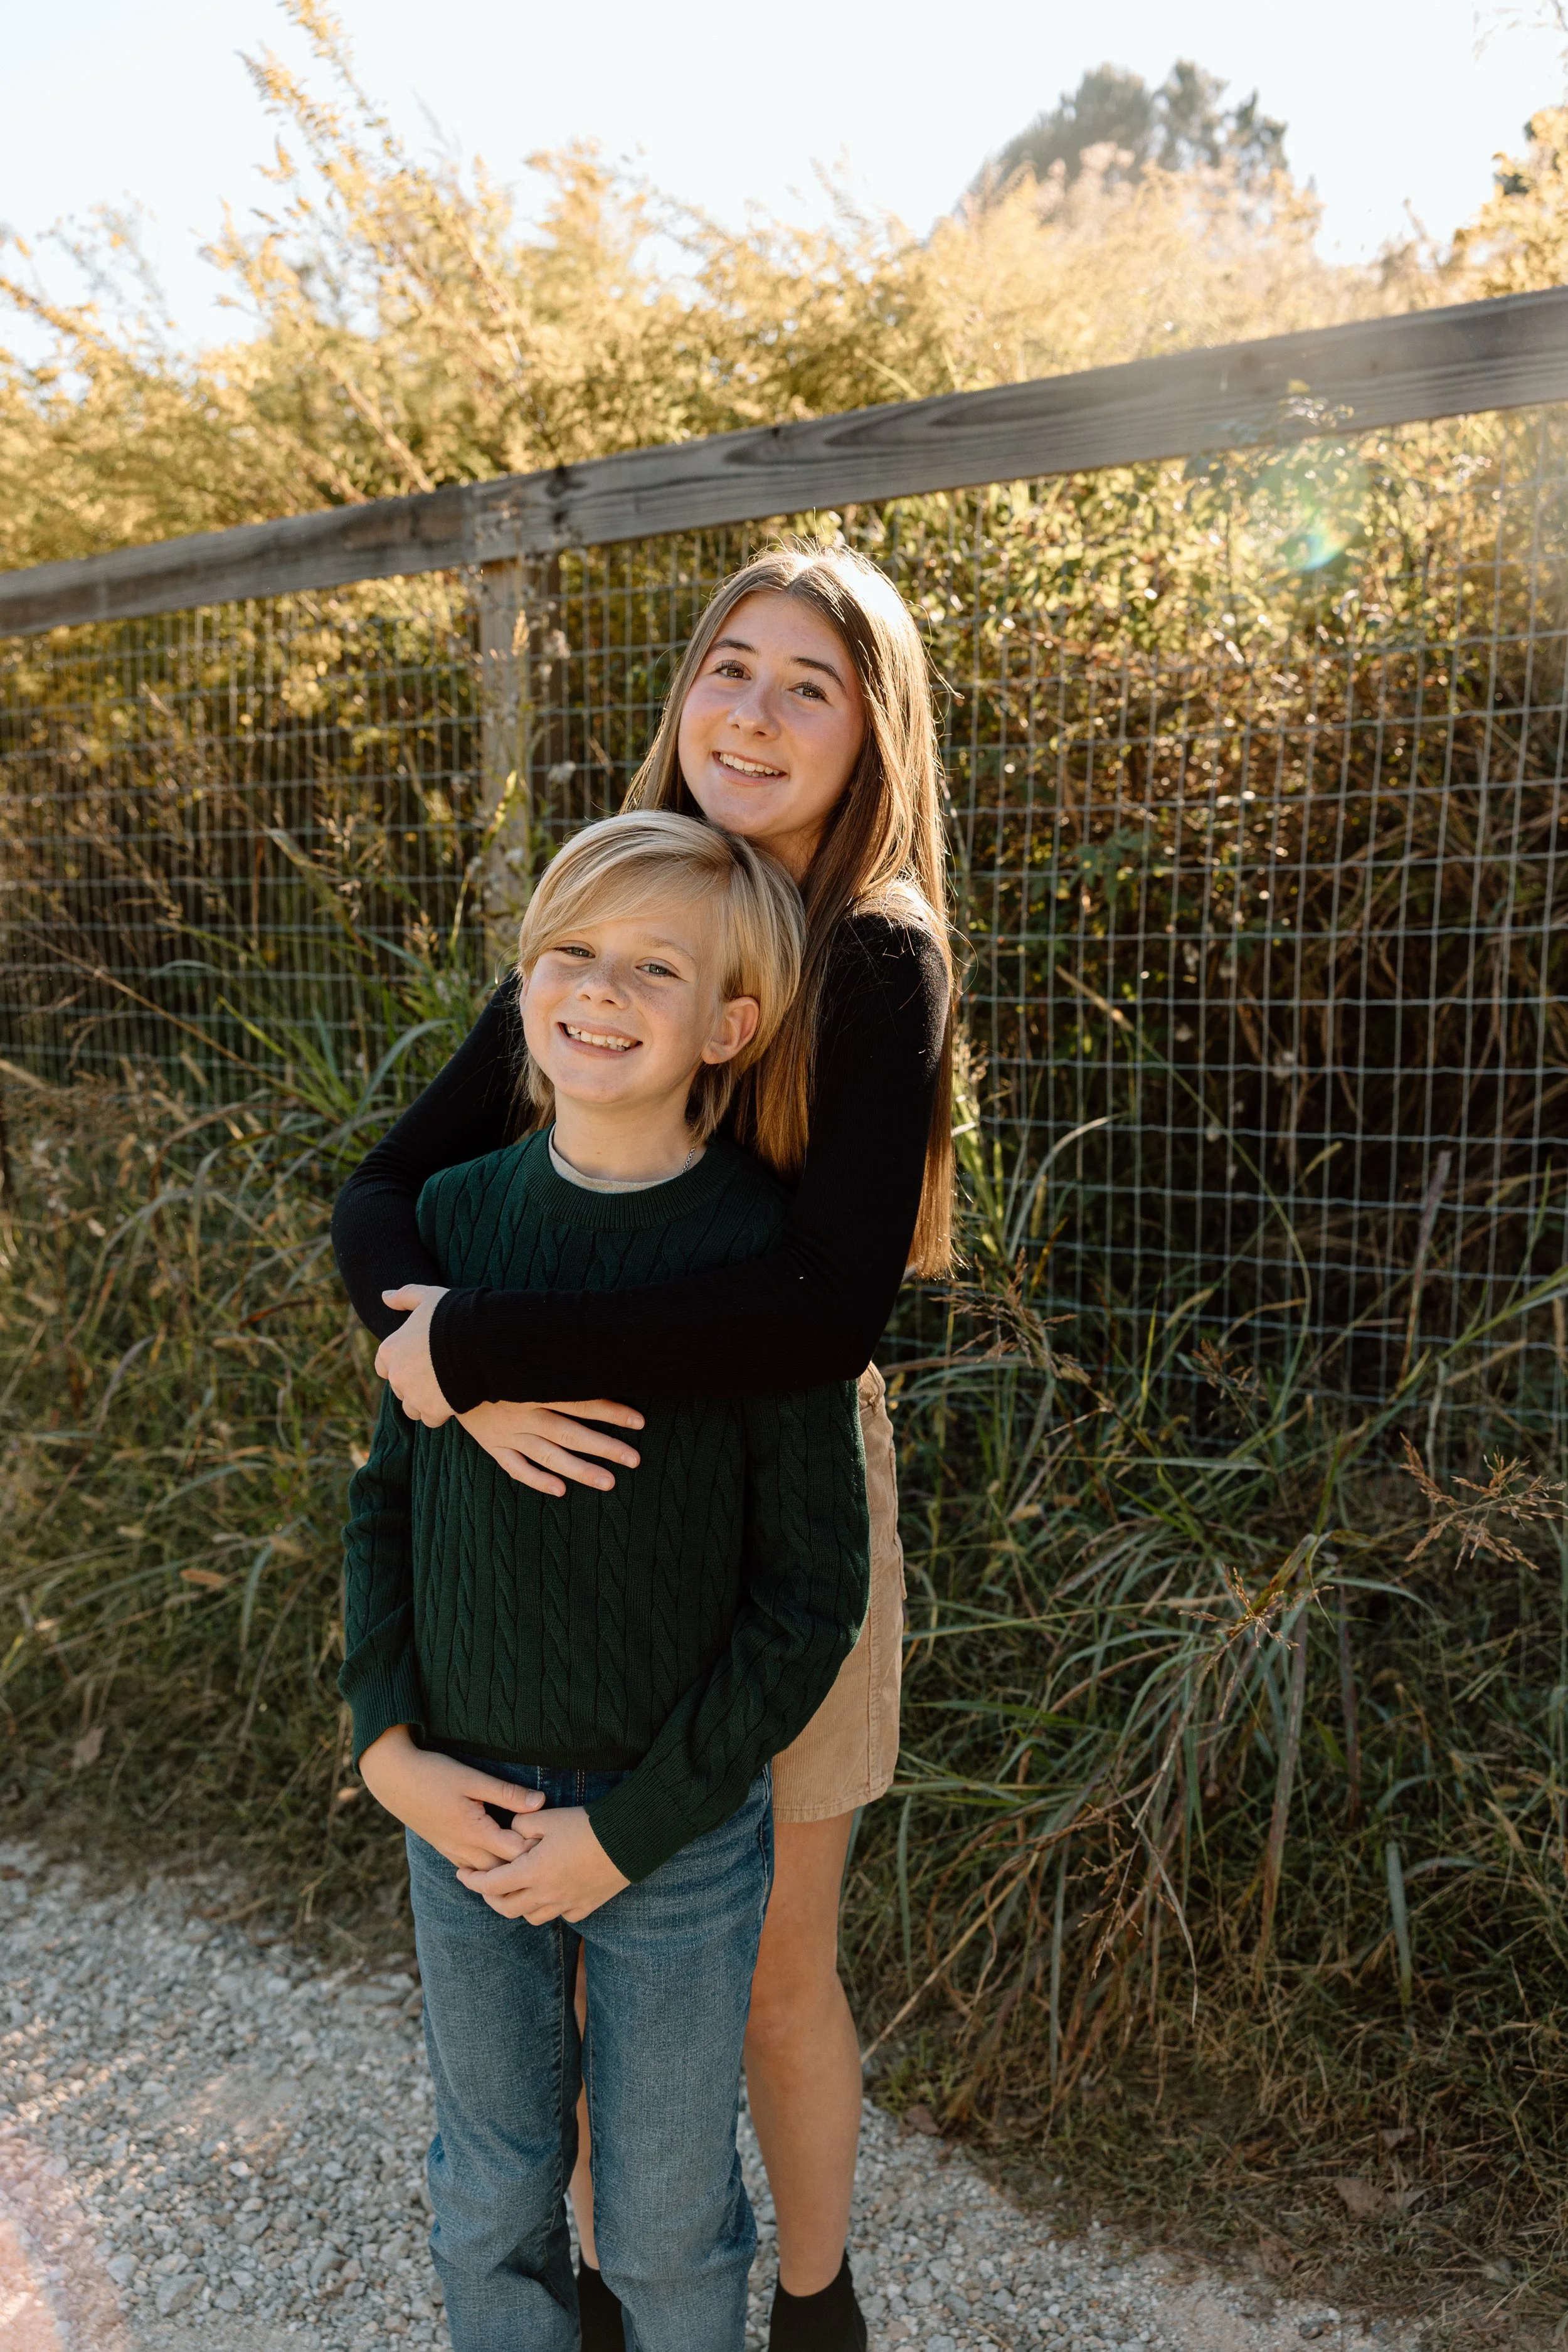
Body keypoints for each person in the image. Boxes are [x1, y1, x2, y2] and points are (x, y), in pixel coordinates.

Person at [332, 543, 955, 2352]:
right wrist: (441, 1367)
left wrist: (488, 1344)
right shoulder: (626, 915)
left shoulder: (868, 952)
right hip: (550, 1490)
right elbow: (388, 1193)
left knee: (756, 1962)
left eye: (807, 685)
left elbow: (815, 1311)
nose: (750, 713)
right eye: (727, 667)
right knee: (591, 1982)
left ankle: (810, 2307)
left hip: (765, 1480)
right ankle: (624, 2294)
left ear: (871, 732)